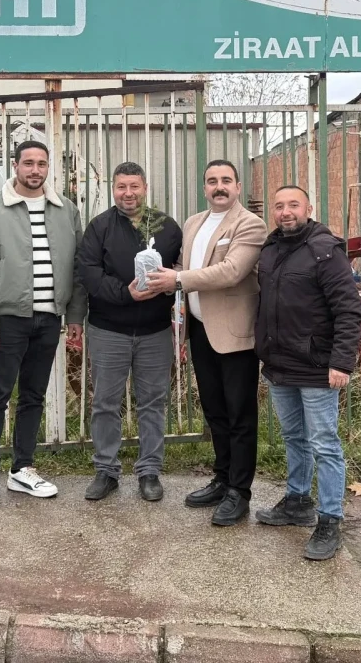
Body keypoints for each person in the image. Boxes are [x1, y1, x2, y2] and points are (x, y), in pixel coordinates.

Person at [0, 140, 86, 508]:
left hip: (49, 319)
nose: (35, 170)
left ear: (48, 168)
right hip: (7, 319)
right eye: (28, 163)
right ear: (15, 166)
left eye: (41, 163)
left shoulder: (66, 211)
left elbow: (77, 269)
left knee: (33, 396)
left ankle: (22, 469)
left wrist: (75, 316)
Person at [147, 160, 266, 526]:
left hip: (234, 334)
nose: (219, 186)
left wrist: (177, 279)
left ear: (238, 186)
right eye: (212, 181)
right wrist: (153, 271)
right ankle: (222, 478)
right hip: (199, 329)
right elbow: (184, 266)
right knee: (214, 410)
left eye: (226, 180)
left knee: (239, 414)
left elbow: (232, 271)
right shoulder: (194, 223)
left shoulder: (250, 224)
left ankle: (239, 491)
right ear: (204, 188)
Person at [253, 185, 361, 561]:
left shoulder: (325, 251)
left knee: (324, 443)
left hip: (316, 365)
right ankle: (298, 500)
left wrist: (341, 362)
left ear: (309, 208)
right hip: (280, 364)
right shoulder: (271, 248)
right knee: (294, 437)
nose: (285, 212)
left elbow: (348, 309)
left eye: (293, 205)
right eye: (279, 205)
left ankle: (330, 520)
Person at [75, 161, 183, 502]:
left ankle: (149, 471)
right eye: (121, 187)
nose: (128, 193)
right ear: (113, 189)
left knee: (152, 402)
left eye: (134, 186)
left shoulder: (167, 227)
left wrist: (170, 286)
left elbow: (182, 270)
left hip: (155, 331)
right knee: (105, 403)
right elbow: (88, 272)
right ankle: (106, 471)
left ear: (145, 188)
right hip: (108, 330)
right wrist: (126, 294)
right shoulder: (99, 227)